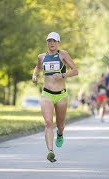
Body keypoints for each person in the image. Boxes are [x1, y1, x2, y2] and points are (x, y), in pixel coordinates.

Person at [32, 32, 78, 163]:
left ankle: (60, 133)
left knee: (60, 123)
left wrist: (63, 75)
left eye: (54, 41)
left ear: (58, 43)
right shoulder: (41, 57)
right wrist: (34, 76)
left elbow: (75, 70)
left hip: (61, 95)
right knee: (48, 122)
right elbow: (37, 67)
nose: (51, 43)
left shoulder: (63, 55)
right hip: (46, 93)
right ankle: (50, 151)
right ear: (46, 42)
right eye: (49, 41)